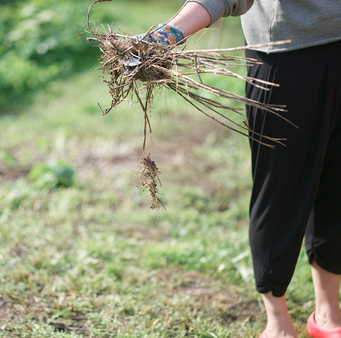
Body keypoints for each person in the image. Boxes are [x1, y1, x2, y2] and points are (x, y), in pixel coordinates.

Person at [136, 1, 341, 337]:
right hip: (287, 57)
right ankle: (277, 324)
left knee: (337, 188)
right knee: (281, 194)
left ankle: (328, 314)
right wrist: (165, 36)